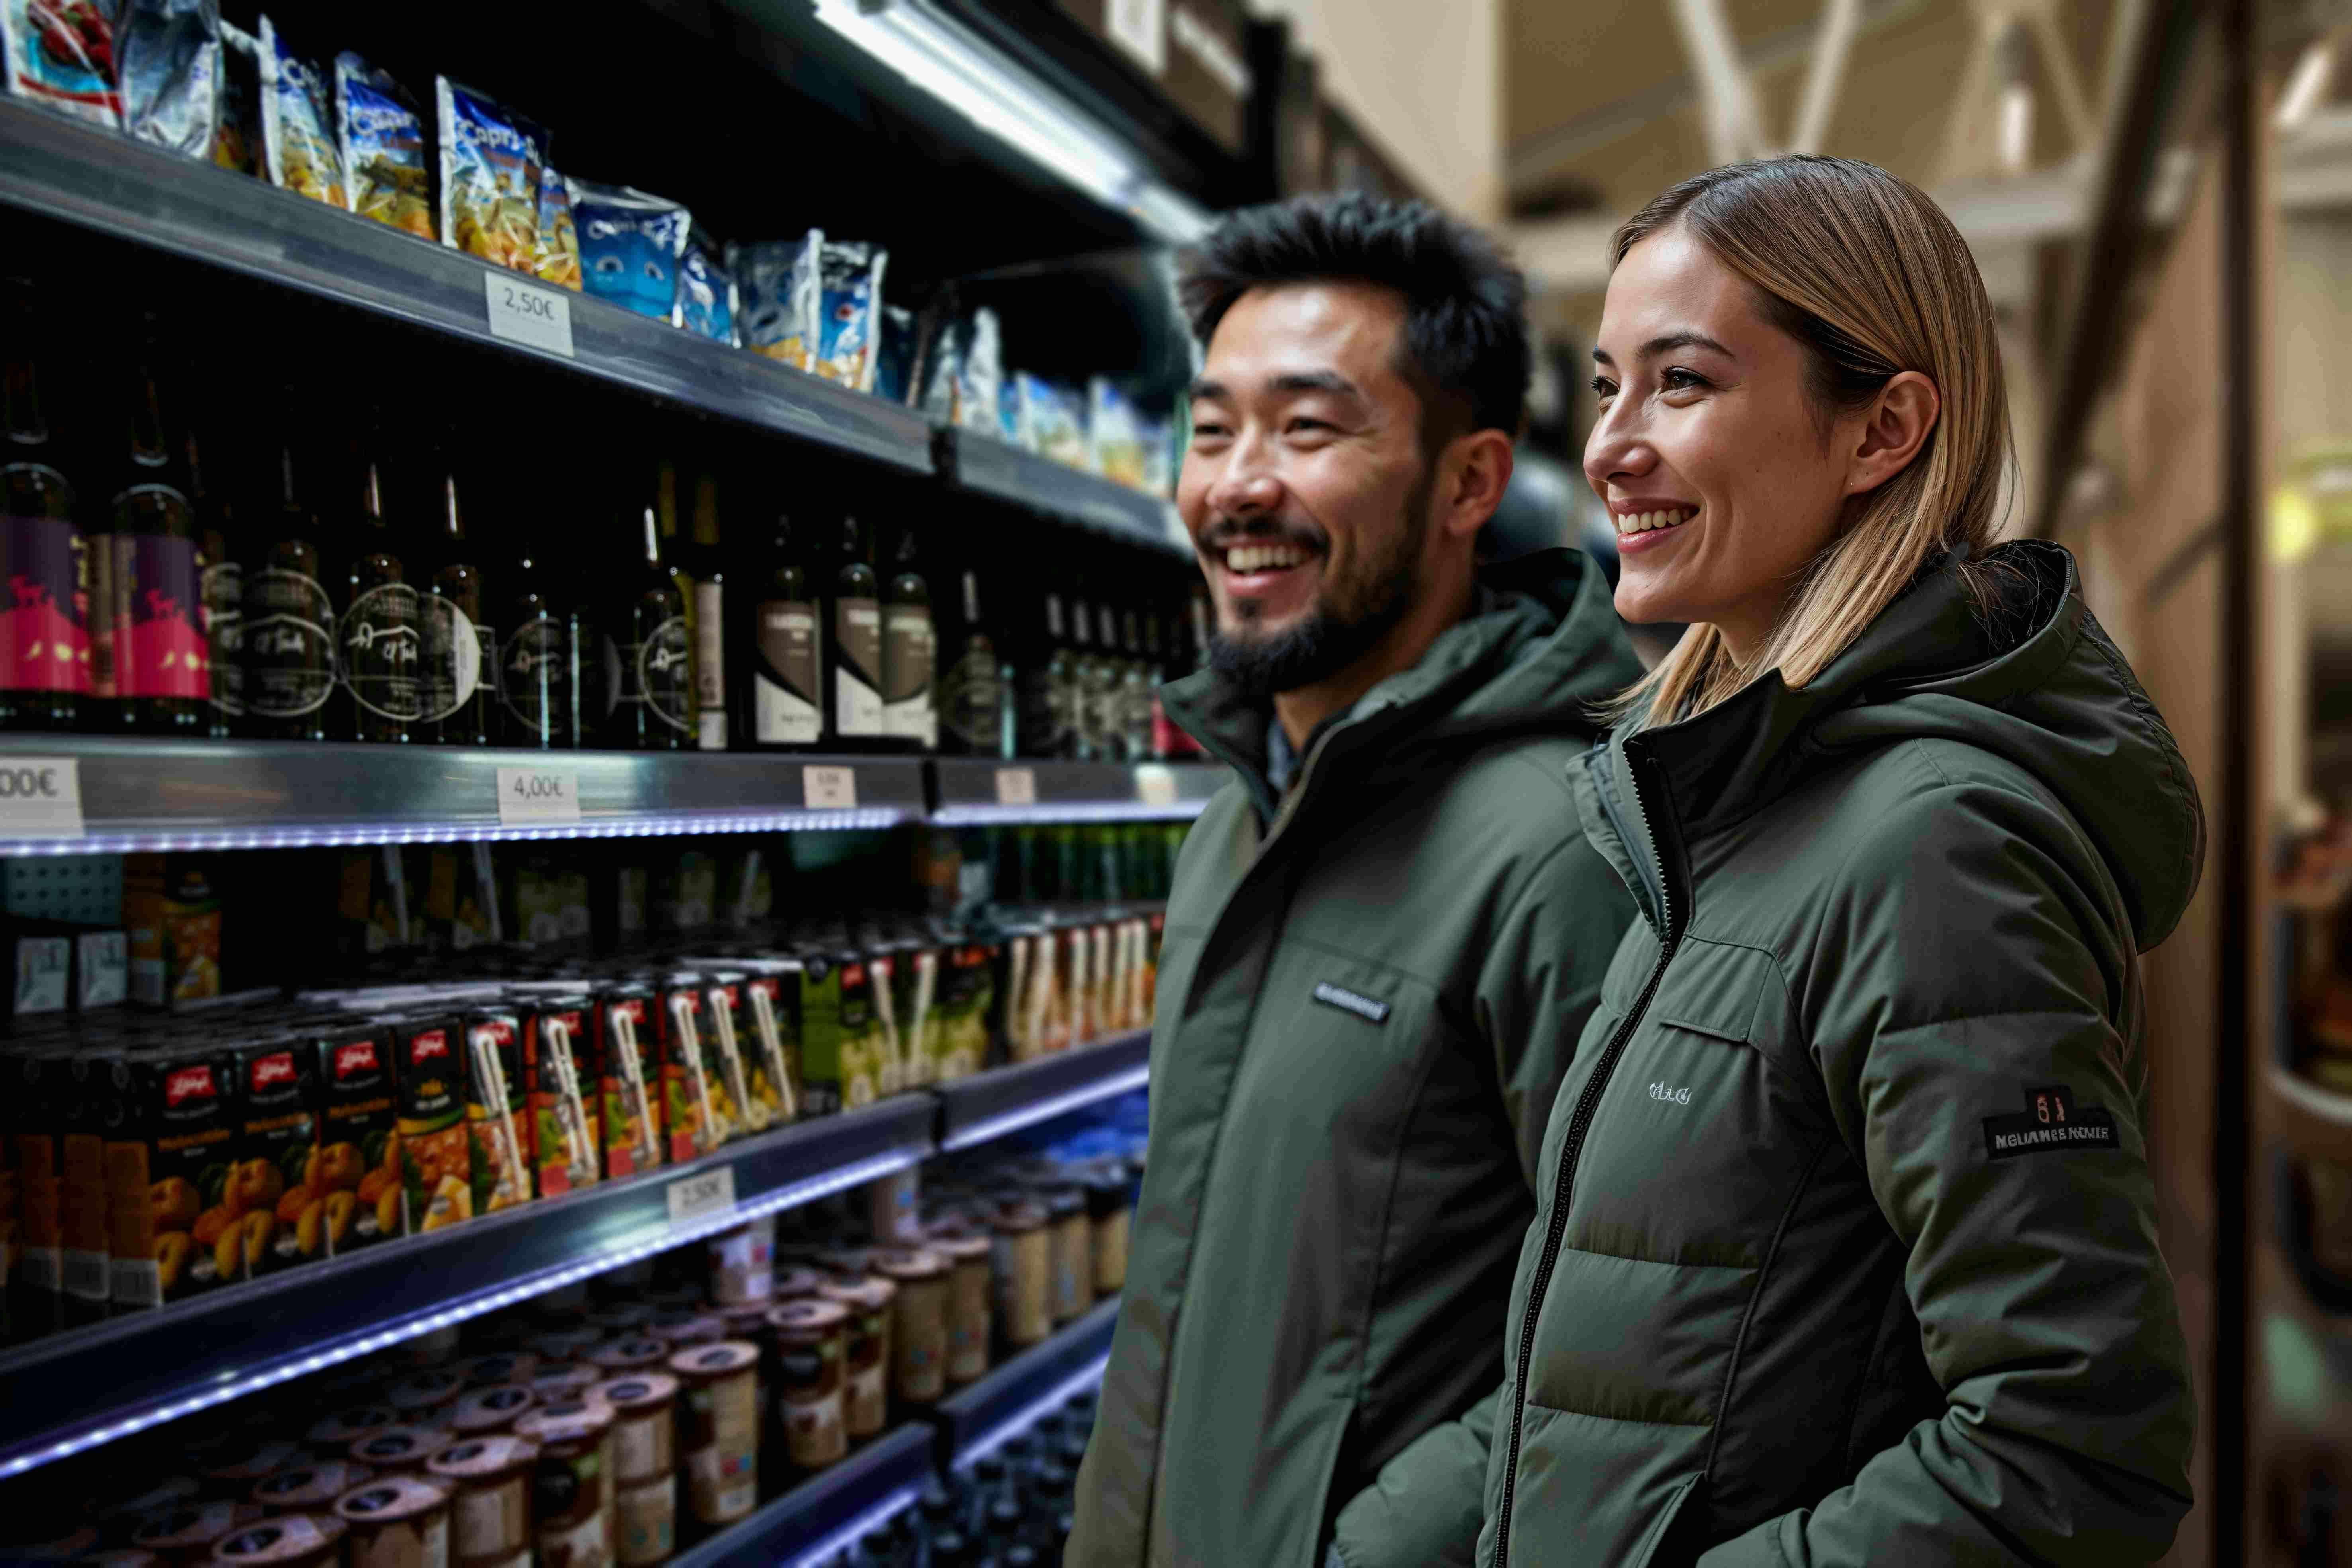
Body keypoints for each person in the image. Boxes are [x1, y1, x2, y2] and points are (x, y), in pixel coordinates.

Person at [1352, 154, 2200, 1566]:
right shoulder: (1715, 815)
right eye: (1610, 384)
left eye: (1680, 384)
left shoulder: (1930, 847)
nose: (1615, 443)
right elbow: (1624, 1379)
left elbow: (2076, 1440)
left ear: (1882, 431)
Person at [1064, 194, 1644, 1567]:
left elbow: (1637, 1344)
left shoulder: (1563, 847)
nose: (1235, 486)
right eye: (1212, 429)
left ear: (1469, 482)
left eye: (1309, 427)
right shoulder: (1238, 822)